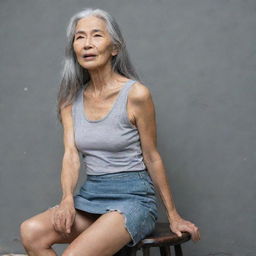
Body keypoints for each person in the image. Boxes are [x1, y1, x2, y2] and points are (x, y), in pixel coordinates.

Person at [20, 8, 200, 256]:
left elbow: (152, 156)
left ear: (114, 47)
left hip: (133, 199)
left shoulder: (136, 95)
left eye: (96, 35)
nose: (87, 44)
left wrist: (173, 215)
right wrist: (66, 199)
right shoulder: (70, 101)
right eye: (79, 37)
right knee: (30, 231)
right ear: (73, 47)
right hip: (91, 196)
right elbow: (71, 155)